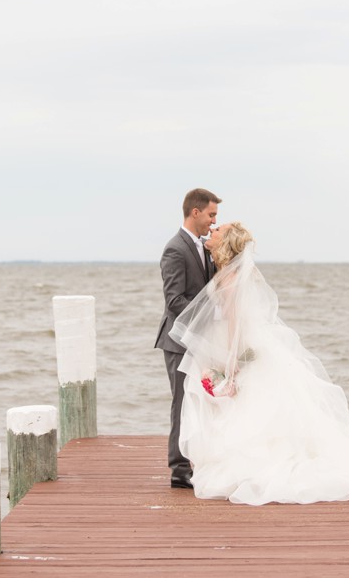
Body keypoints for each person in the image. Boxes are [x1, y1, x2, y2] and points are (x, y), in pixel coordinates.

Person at [170, 223, 349, 505]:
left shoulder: (229, 278)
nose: (212, 230)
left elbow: (235, 322)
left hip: (240, 347)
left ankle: (253, 466)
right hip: (253, 344)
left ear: (225, 242)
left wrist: (231, 361)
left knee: (251, 407)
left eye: (218, 230)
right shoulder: (232, 272)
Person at [154, 188, 222, 489]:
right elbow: (174, 301)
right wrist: (206, 319)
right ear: (195, 212)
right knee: (182, 402)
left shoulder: (202, 247)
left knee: (203, 401)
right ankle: (179, 469)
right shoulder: (175, 249)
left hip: (201, 340)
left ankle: (201, 459)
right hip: (179, 342)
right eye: (211, 215)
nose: (213, 221)